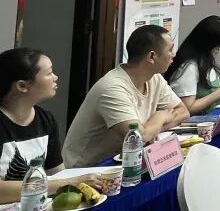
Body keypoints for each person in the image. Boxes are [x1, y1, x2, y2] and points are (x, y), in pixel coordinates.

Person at [63, 25, 190, 167]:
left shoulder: (154, 78)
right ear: (152, 57)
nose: (174, 54)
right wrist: (159, 117)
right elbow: (138, 138)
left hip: (127, 160)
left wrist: (152, 129)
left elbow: (183, 112)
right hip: (88, 169)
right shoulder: (112, 87)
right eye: (170, 50)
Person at [0, 49, 102, 203]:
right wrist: (67, 183)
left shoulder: (45, 119)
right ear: (22, 86)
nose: (55, 77)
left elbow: (56, 173)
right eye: (49, 73)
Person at [165, 16, 220, 114]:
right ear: (207, 43)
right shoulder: (189, 68)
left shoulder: (206, 62)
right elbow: (187, 108)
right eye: (218, 44)